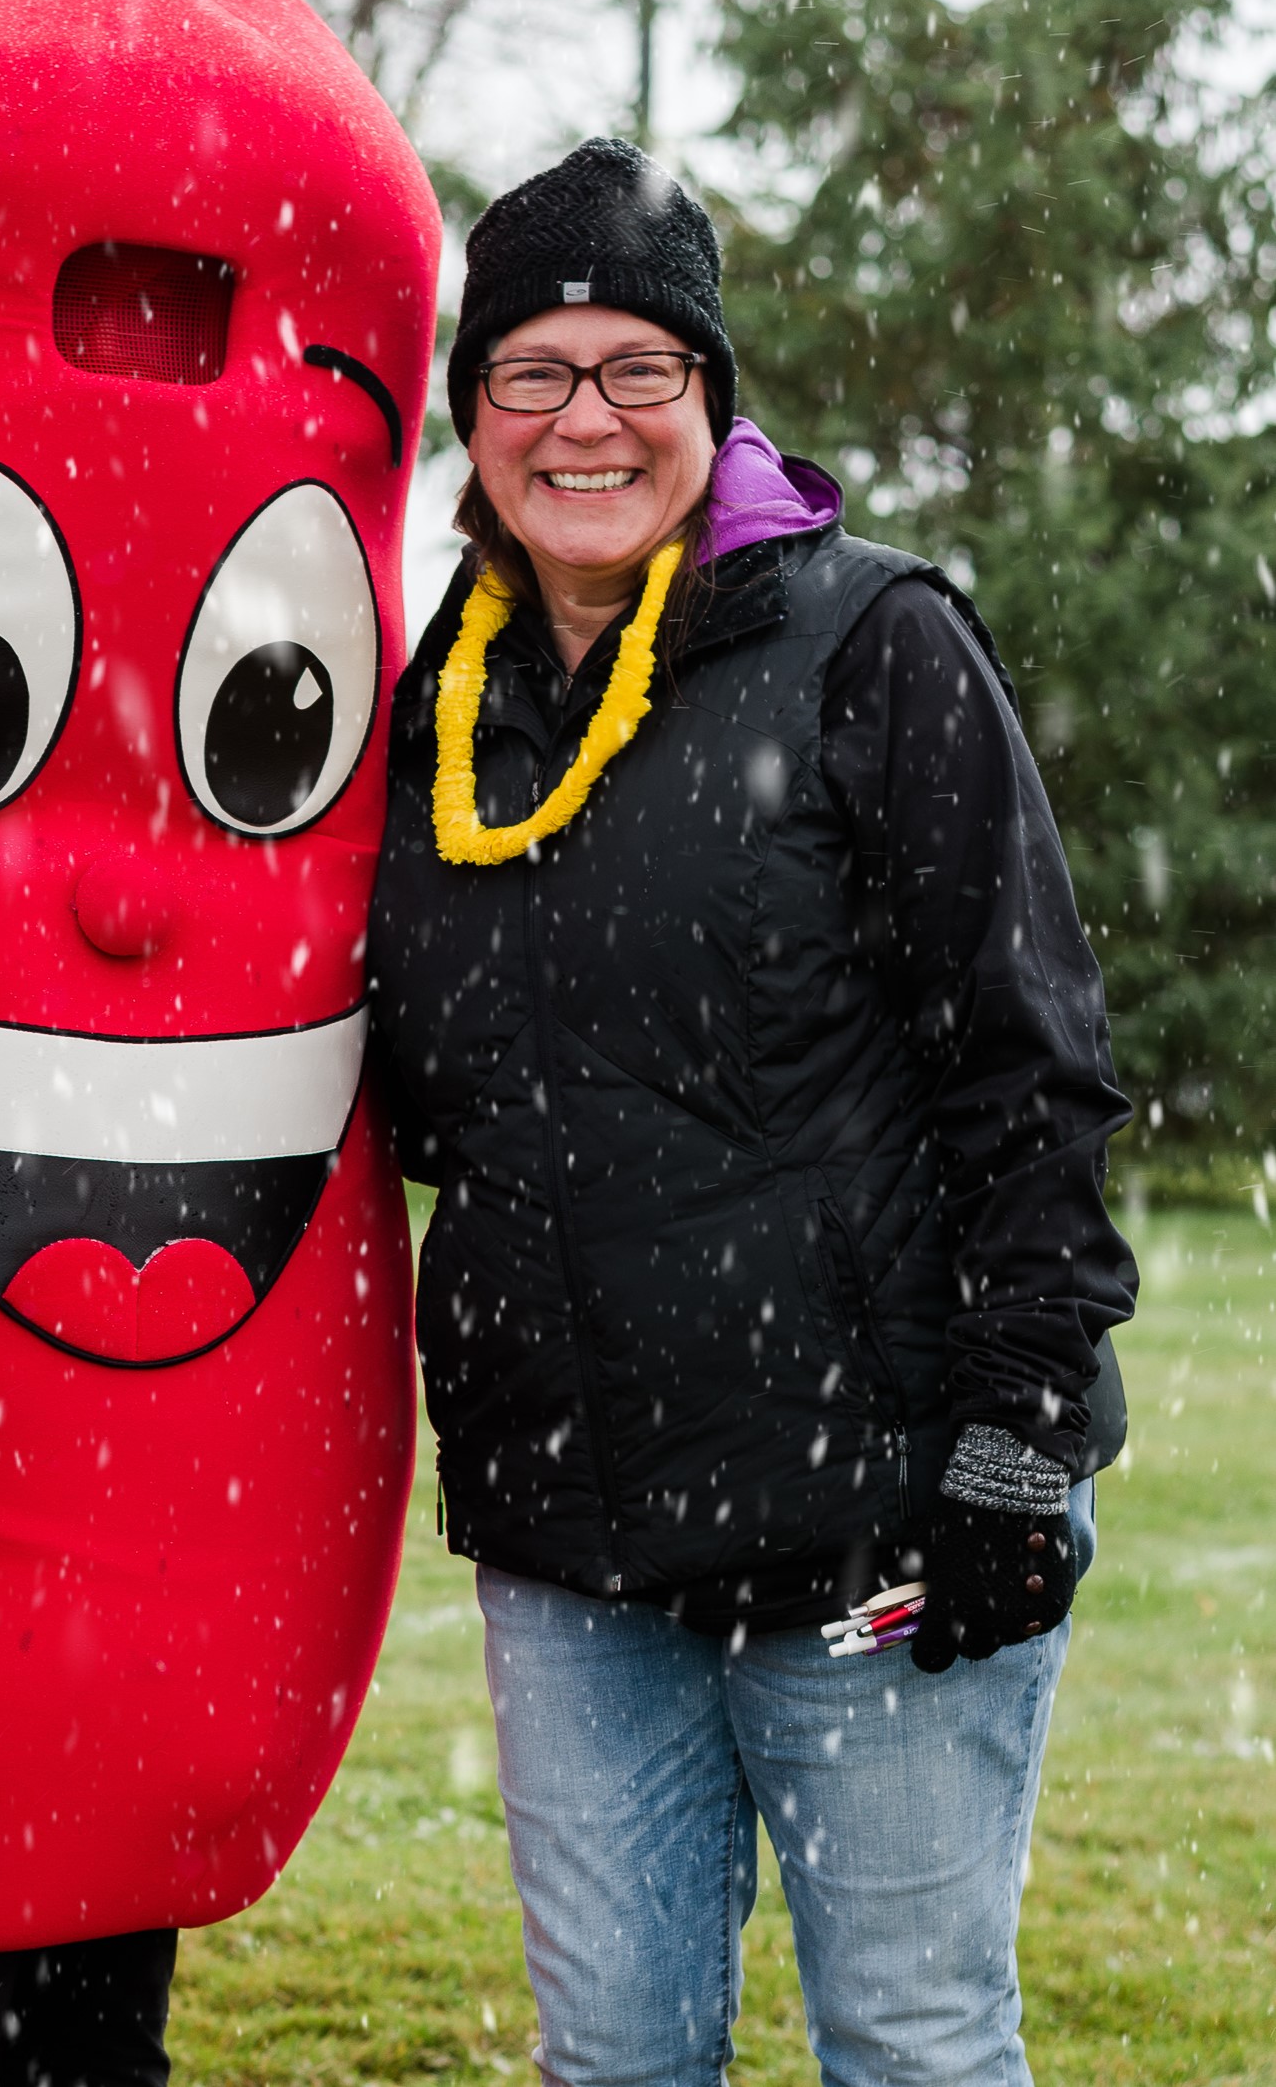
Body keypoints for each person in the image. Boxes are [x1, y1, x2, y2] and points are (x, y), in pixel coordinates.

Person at [368, 139, 1136, 2086]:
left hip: (877, 1520)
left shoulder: (872, 644)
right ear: (474, 411)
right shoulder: (434, 707)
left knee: (908, 2036)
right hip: (572, 1538)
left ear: (713, 395)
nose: (587, 418)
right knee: (618, 2050)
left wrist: (1014, 1450)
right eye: (534, 370)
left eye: (642, 366)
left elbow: (1030, 1069)